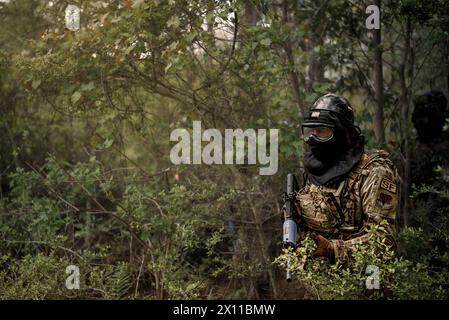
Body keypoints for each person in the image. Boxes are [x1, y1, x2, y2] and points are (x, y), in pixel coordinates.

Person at [294, 93, 399, 263]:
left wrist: (332, 249)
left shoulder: (374, 172)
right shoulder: (315, 170)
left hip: (366, 281)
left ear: (341, 132)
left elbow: (384, 240)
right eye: (309, 132)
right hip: (322, 283)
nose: (313, 138)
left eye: (322, 131)